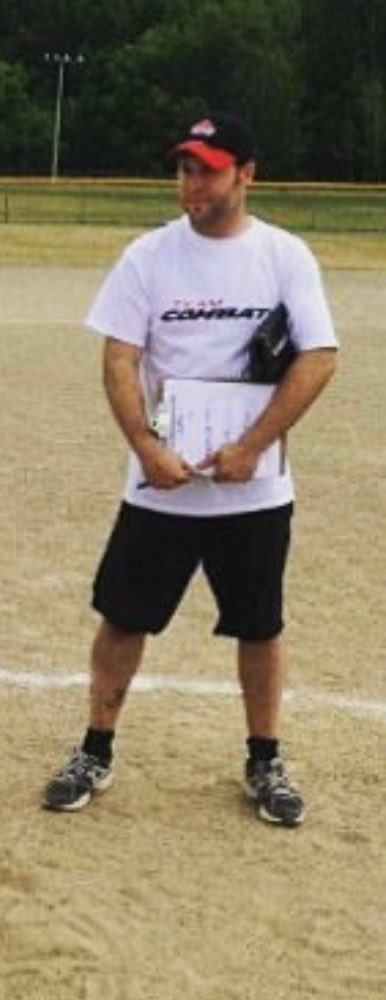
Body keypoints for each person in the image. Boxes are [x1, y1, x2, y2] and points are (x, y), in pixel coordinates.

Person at [42, 111, 338, 828]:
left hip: (255, 489)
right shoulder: (148, 256)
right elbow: (120, 357)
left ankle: (265, 757)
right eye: (183, 167)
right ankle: (95, 746)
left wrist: (251, 446)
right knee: (123, 617)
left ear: (247, 173)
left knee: (260, 624)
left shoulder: (284, 256)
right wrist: (146, 445)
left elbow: (318, 357)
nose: (191, 181)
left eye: (207, 167)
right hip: (162, 487)